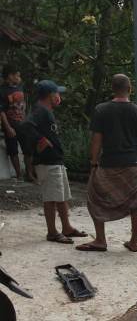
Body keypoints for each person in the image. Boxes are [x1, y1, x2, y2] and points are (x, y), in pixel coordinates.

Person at [76, 74, 137, 252]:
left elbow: (96, 140)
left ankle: (100, 240)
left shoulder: (101, 110)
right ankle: (133, 242)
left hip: (109, 164)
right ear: (129, 89)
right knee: (136, 203)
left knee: (95, 199)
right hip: (135, 165)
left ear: (112, 88)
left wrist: (93, 163)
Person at [22, 80, 86, 244]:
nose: (59, 97)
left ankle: (67, 227)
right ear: (51, 95)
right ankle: (52, 232)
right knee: (50, 198)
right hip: (47, 162)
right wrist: (41, 140)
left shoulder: (45, 111)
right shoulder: (40, 110)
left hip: (55, 160)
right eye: (57, 93)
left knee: (61, 196)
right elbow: (26, 125)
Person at [0, 65, 34, 181]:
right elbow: (2, 112)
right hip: (10, 125)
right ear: (10, 76)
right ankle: (19, 175)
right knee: (13, 151)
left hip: (23, 124)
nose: (19, 77)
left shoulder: (20, 87)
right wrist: (8, 127)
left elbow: (26, 105)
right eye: (17, 75)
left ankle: (29, 175)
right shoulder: (2, 91)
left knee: (28, 150)